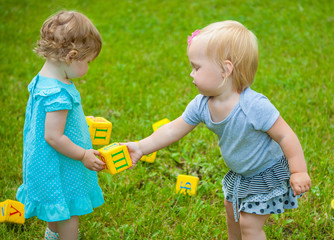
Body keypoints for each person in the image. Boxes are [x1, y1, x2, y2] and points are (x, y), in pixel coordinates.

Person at [125, 20, 311, 239]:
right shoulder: (202, 104)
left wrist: (298, 170)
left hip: (265, 173)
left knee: (249, 225)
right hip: (241, 174)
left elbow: (285, 134)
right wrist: (140, 147)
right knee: (232, 212)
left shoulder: (254, 105)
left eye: (196, 67)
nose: (191, 74)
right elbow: (173, 130)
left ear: (225, 69)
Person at [16, 11, 105, 240]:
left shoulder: (44, 79)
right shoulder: (58, 94)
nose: (87, 68)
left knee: (56, 200)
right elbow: (54, 137)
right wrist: (83, 154)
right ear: (71, 57)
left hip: (45, 161)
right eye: (87, 62)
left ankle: (51, 235)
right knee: (68, 209)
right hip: (60, 162)